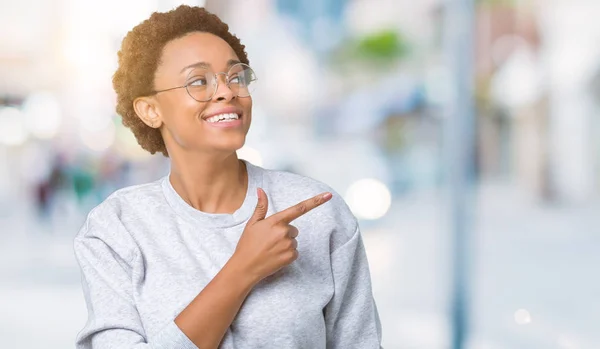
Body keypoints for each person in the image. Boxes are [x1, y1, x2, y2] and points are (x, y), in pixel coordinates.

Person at [73, 5, 382, 349]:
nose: (227, 92)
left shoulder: (318, 213)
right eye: (198, 81)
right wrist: (243, 269)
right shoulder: (117, 229)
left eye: (236, 76)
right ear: (150, 110)